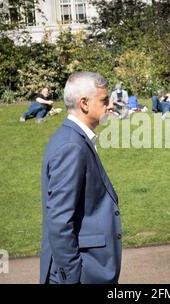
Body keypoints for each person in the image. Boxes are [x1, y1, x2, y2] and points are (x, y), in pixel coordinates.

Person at [40, 71, 121, 284]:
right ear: (84, 103)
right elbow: (59, 221)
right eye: (104, 100)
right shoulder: (71, 146)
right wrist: (72, 277)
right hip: (82, 274)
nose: (110, 105)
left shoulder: (73, 138)